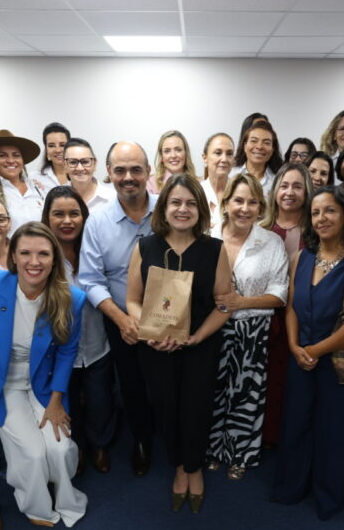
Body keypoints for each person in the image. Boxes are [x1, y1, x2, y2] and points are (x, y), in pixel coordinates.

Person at [272, 186, 344, 520]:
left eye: (330, 210)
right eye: (316, 212)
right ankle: (291, 487)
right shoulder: (301, 257)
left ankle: (328, 496)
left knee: (335, 431)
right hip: (301, 356)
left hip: (340, 362)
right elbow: (291, 307)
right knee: (296, 424)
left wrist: (314, 350)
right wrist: (294, 346)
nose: (322, 218)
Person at [0, 221, 87, 527]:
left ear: (54, 259)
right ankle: (35, 506)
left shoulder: (71, 298)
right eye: (25, 253)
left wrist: (57, 401)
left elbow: (66, 352)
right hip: (1, 383)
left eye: (43, 254)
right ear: (13, 257)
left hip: (43, 384)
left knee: (59, 449)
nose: (34, 262)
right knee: (34, 454)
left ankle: (67, 499)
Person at [126, 174, 232, 512]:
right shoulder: (145, 247)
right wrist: (151, 333)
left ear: (200, 209)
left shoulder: (215, 249)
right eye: (175, 202)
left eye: (189, 203)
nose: (182, 209)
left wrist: (197, 336)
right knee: (167, 409)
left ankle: (194, 468)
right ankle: (178, 467)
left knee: (196, 410)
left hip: (200, 346)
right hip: (156, 348)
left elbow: (224, 303)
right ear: (164, 207)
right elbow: (132, 300)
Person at [78, 141, 157, 476]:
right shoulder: (97, 223)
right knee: (132, 384)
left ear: (148, 173)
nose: (129, 177)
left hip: (170, 317)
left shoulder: (169, 210)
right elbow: (91, 281)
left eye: (136, 169)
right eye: (120, 170)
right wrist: (123, 320)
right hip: (121, 320)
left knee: (169, 384)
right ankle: (141, 439)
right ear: (108, 173)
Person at [208, 174, 289, 478]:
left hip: (253, 331)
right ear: (226, 203)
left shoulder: (271, 242)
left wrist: (240, 302)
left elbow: (280, 294)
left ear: (261, 207)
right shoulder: (207, 236)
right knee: (212, 391)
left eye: (252, 202)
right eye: (238, 200)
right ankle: (212, 448)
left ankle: (241, 454)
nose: (244, 208)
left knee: (246, 397)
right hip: (211, 330)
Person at [42, 185, 116, 475]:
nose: (67, 220)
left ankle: (100, 446)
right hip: (59, 351)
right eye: (58, 214)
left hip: (98, 343)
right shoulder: (42, 256)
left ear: (85, 217)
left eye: (74, 213)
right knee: (67, 401)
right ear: (47, 218)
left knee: (101, 401)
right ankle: (78, 448)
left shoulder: (95, 249)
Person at [260, 163, 311, 448]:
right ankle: (266, 435)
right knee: (268, 378)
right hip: (266, 315)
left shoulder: (316, 230)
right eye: (284, 185)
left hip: (304, 317)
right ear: (275, 190)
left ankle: (289, 436)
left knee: (294, 381)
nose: (289, 192)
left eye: (297, 186)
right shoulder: (261, 227)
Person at [0, 129, 45, 235]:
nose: (10, 160)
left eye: (16, 155)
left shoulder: (37, 189)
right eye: (2, 155)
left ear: (22, 161)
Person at [233, 118, 282, 195]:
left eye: (266, 143)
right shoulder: (230, 175)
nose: (259, 146)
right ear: (245, 146)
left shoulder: (278, 181)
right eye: (253, 141)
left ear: (273, 149)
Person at [62, 138, 113, 211]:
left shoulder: (112, 198)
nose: (80, 168)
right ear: (65, 166)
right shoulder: (54, 198)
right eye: (73, 162)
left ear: (94, 164)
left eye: (85, 162)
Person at [201, 132, 236, 231]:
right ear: (205, 158)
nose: (224, 159)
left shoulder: (241, 192)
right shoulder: (195, 192)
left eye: (229, 154)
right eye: (218, 153)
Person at [152, 130, 197, 195]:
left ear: (185, 153)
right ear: (161, 156)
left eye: (178, 150)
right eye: (167, 151)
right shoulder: (150, 184)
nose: (173, 155)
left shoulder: (199, 184)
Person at [35, 122, 71, 191]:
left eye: (62, 145)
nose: (57, 150)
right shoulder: (34, 178)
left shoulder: (80, 175)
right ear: (46, 149)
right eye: (51, 145)